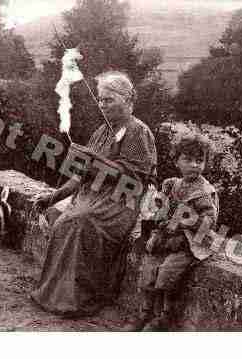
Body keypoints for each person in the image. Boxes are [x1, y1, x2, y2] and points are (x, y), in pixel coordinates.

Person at [30, 71, 157, 317]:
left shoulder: (137, 131)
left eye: (109, 99)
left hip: (121, 201)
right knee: (62, 217)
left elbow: (136, 180)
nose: (102, 104)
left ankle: (81, 297)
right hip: (92, 195)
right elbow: (79, 176)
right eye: (100, 99)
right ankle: (55, 292)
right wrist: (53, 197)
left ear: (128, 101)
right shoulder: (101, 132)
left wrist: (97, 164)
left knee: (81, 221)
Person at [127, 133, 219, 331]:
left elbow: (208, 222)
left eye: (199, 161)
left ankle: (165, 316)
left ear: (205, 163)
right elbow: (158, 209)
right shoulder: (172, 185)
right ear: (177, 161)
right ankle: (145, 311)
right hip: (167, 236)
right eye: (188, 160)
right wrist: (157, 205)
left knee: (168, 272)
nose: (194, 165)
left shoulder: (204, 191)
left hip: (189, 241)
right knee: (149, 267)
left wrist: (183, 221)